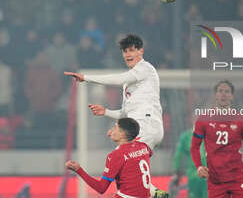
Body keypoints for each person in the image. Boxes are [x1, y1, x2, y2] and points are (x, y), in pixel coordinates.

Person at [64, 34, 168, 198]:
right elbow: (125, 113)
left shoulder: (145, 68)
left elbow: (117, 78)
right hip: (143, 127)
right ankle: (155, 193)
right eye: (125, 51)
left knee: (119, 157)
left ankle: (148, 193)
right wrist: (106, 112)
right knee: (128, 166)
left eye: (132, 50)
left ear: (141, 51)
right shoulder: (131, 81)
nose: (128, 54)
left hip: (147, 125)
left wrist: (86, 78)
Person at [191, 80, 243, 198]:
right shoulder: (203, 119)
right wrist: (198, 166)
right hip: (215, 180)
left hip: (238, 178)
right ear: (215, 95)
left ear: (232, 96)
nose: (223, 94)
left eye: (227, 91)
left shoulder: (241, 120)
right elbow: (194, 147)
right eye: (220, 91)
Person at [66, 117, 152, 198]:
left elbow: (101, 188)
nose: (111, 130)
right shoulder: (144, 146)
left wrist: (78, 170)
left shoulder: (116, 155)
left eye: (115, 127)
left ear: (123, 134)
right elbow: (147, 154)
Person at [171, 119, 208, 198]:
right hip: (205, 173)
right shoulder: (186, 136)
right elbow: (178, 155)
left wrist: (176, 171)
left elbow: (178, 155)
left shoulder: (186, 136)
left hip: (196, 173)